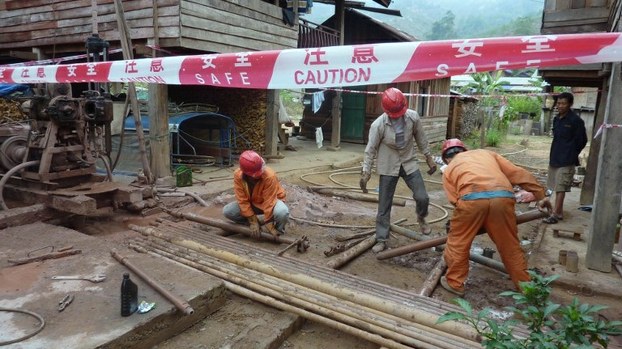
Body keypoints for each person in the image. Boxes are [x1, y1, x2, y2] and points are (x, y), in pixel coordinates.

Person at [439, 138, 552, 296]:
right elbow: (518, 173)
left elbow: (455, 201)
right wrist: (541, 195)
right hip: (503, 197)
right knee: (510, 246)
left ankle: (455, 283)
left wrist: (475, 221)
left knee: (458, 242)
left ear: (446, 158)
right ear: (464, 150)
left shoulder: (449, 169)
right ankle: (526, 287)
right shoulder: (486, 154)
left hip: (471, 199)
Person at [360, 87, 437, 254]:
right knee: (384, 205)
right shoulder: (378, 125)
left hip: (409, 161)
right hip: (388, 164)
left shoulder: (413, 117)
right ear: (386, 110)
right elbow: (370, 149)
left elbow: (421, 138)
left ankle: (421, 217)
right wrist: (366, 173)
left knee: (422, 196)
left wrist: (428, 157)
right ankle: (382, 239)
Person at [543, 92, 587, 224]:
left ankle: (555, 215)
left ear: (570, 104)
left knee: (561, 187)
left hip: (567, 159)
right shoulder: (557, 119)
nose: (560, 106)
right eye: (559, 103)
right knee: (554, 186)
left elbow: (582, 140)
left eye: (563, 103)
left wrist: (572, 153)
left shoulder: (576, 121)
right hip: (555, 157)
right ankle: (559, 212)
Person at [223, 150, 289, 238]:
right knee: (228, 211)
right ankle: (253, 225)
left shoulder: (269, 176)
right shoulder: (238, 176)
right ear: (247, 173)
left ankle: (278, 231)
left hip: (273, 201)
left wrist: (269, 225)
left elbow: (269, 202)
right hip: (254, 203)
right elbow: (242, 200)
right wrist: (253, 221)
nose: (261, 172)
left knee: (282, 212)